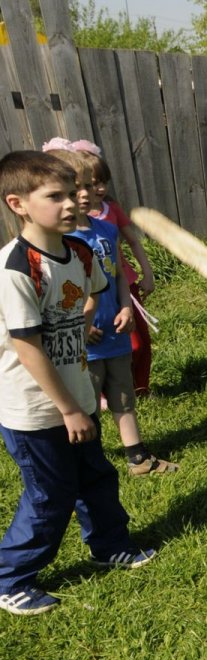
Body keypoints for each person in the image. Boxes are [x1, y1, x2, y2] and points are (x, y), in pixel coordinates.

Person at [0, 151, 156, 617]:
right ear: (18, 203)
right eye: (55, 196)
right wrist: (67, 409)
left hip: (78, 396)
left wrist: (84, 325)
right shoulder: (17, 267)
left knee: (96, 478)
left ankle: (109, 545)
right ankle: (11, 577)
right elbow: (27, 348)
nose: (71, 203)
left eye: (73, 194)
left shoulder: (80, 251)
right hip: (35, 409)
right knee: (51, 494)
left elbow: (85, 299)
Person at [46, 149, 178, 476]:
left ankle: (138, 458)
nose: (83, 195)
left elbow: (117, 271)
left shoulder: (105, 230)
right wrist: (80, 324)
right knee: (86, 405)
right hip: (85, 341)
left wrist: (125, 307)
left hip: (116, 331)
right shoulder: (59, 242)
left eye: (88, 187)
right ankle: (83, 464)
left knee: (123, 395)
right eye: (73, 189)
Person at [74, 143, 159, 397]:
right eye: (91, 183)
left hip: (123, 283)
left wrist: (147, 273)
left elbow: (132, 241)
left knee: (140, 341)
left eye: (101, 182)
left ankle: (140, 387)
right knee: (99, 342)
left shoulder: (111, 212)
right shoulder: (70, 226)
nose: (97, 188)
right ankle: (102, 394)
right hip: (91, 292)